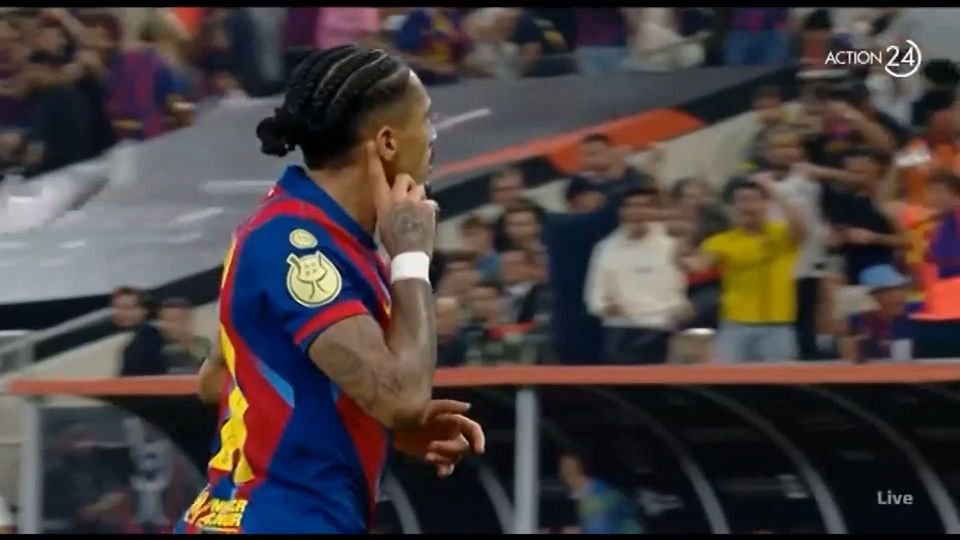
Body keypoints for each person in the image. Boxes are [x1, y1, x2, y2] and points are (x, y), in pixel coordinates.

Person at [176, 45, 485, 535]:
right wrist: (411, 258)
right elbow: (402, 398)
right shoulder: (298, 248)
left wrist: (369, 417)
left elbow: (217, 378)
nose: (432, 135)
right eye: (426, 119)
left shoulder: (305, 230)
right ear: (387, 141)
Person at [680, 177, 807, 362]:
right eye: (740, 201)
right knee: (727, 377)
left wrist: (777, 193)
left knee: (780, 379)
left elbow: (801, 227)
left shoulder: (781, 234)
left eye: (751, 200)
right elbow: (698, 266)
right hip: (735, 326)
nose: (745, 207)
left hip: (777, 326)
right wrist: (680, 253)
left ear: (765, 204)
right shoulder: (721, 241)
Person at [585, 186, 688, 364]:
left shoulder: (671, 246)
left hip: (659, 326)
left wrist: (678, 309)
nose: (637, 212)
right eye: (631, 206)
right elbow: (595, 291)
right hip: (619, 326)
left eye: (643, 206)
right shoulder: (605, 248)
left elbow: (678, 288)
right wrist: (603, 307)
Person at [840, 264, 913, 363]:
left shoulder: (916, 316)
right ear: (873, 297)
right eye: (889, 292)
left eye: (901, 289)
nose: (899, 296)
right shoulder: (855, 322)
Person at [558, 451, 643, 534]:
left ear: (581, 467)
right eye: (563, 466)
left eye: (570, 466)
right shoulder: (570, 495)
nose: (565, 471)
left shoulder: (600, 494)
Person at [112, 286, 166, 377]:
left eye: (127, 308)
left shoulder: (150, 338)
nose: (120, 313)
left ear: (144, 310)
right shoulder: (137, 339)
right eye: (117, 308)